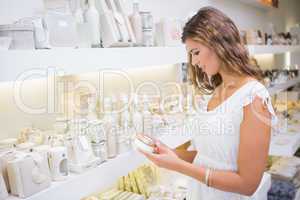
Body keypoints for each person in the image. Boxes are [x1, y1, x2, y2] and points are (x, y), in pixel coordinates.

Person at [139, 7, 277, 200]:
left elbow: (248, 184)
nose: (194, 62)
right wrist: (171, 153)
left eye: (196, 52)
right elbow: (208, 156)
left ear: (218, 44)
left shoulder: (253, 98)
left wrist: (177, 166)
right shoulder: (215, 91)